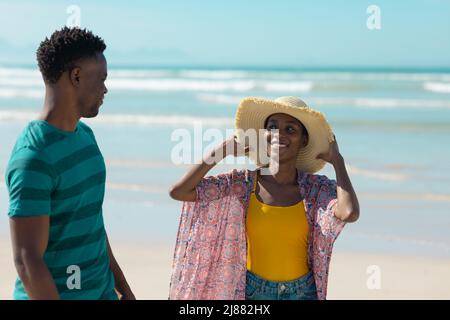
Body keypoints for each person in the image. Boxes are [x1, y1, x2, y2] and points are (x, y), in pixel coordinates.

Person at [168, 96, 359, 300]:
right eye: (273, 127)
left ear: (304, 140)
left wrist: (338, 161)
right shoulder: (242, 184)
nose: (279, 135)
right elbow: (180, 191)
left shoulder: (316, 189)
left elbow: (348, 212)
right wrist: (222, 151)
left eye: (290, 129)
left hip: (303, 293)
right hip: (253, 292)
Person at [5, 27, 135, 300]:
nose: (105, 89)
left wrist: (122, 286)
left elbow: (92, 221)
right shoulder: (33, 156)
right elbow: (27, 261)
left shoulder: (86, 137)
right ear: (76, 76)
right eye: (101, 79)